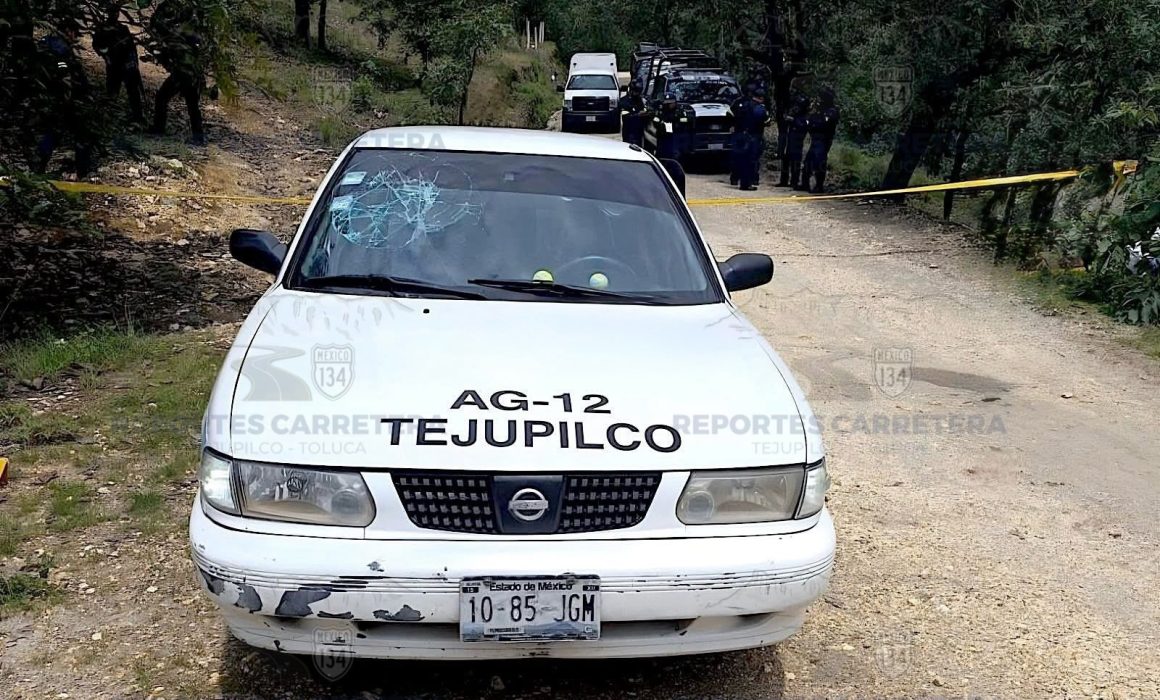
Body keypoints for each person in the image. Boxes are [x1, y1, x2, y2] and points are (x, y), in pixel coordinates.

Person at [34, 18, 94, 176]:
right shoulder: (62, 49)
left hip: (44, 96)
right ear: (68, 31)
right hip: (61, 98)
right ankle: (83, 171)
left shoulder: (45, 43)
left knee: (54, 131)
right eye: (74, 33)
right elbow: (65, 75)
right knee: (80, 133)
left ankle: (38, 166)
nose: (75, 38)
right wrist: (70, 97)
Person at [148, 0, 208, 145]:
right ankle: (198, 137)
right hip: (192, 74)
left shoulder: (177, 35)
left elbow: (167, 48)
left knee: (162, 98)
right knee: (192, 105)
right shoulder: (193, 36)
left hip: (183, 74)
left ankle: (159, 129)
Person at [93, 2, 146, 123]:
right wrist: (106, 55)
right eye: (112, 12)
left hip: (126, 65)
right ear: (108, 13)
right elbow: (96, 45)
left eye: (116, 12)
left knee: (133, 91)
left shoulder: (123, 29)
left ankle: (137, 116)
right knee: (112, 92)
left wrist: (134, 63)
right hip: (113, 65)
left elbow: (132, 48)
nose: (115, 15)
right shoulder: (102, 29)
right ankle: (107, 118)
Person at [801, 87, 840, 193]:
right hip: (815, 139)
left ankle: (819, 186)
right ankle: (805, 184)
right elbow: (810, 121)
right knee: (808, 162)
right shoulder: (819, 110)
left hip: (824, 140)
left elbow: (823, 124)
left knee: (820, 163)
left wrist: (814, 123)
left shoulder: (832, 111)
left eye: (821, 98)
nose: (819, 100)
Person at [738, 87, 769, 191]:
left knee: (744, 160)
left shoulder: (745, 105)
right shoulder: (759, 108)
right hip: (754, 136)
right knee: (752, 160)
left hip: (743, 135)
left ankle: (743, 183)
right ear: (761, 98)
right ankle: (748, 183)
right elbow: (765, 120)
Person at [779, 93, 809, 188]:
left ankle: (794, 181)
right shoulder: (794, 114)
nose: (796, 107)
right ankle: (783, 181)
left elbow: (803, 126)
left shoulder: (805, 117)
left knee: (795, 162)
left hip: (797, 141)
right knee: (785, 160)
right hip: (789, 140)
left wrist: (793, 120)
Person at [652, 92, 693, 161]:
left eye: (672, 103)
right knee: (661, 153)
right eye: (668, 103)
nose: (670, 104)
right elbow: (655, 120)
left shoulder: (679, 111)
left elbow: (685, 120)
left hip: (675, 135)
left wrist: (675, 122)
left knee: (675, 154)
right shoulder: (660, 111)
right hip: (662, 135)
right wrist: (661, 124)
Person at [728, 83, 754, 186]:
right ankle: (746, 181)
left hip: (738, 132)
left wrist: (732, 125)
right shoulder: (751, 104)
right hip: (746, 133)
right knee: (746, 158)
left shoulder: (737, 102)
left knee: (737, 156)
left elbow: (729, 114)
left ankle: (734, 178)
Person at [619, 79, 648, 146]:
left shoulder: (640, 100)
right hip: (629, 131)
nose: (638, 94)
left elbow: (644, 109)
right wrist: (638, 115)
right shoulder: (624, 101)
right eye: (636, 92)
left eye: (639, 92)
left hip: (639, 131)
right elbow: (625, 117)